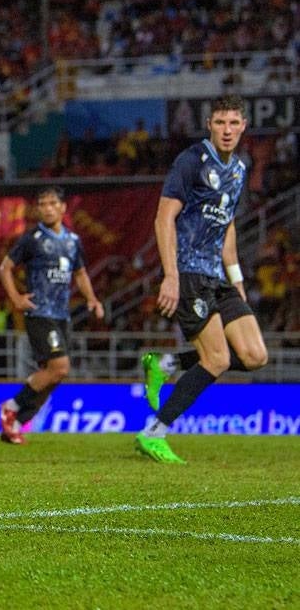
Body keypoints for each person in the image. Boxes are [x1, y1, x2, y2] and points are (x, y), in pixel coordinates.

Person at [138, 95, 268, 463]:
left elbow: (225, 225)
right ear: (209, 125)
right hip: (190, 272)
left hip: (219, 275)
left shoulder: (239, 168)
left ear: (243, 126)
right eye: (220, 123)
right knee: (217, 358)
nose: (227, 131)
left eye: (233, 124)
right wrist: (171, 275)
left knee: (255, 355)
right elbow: (164, 219)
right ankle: (154, 431)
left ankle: (164, 365)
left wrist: (237, 278)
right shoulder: (191, 162)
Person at [0, 186, 104, 444]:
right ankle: (11, 407)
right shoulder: (32, 238)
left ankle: (17, 425)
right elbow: (5, 268)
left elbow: (79, 273)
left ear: (63, 208)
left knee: (55, 375)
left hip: (61, 315)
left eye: (52, 203)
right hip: (39, 312)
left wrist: (91, 299)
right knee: (60, 367)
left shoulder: (72, 241)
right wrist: (16, 299)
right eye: (42, 204)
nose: (47, 208)